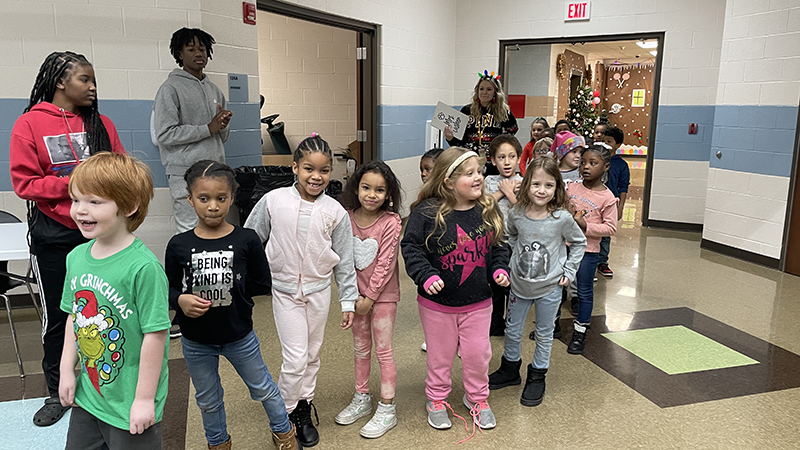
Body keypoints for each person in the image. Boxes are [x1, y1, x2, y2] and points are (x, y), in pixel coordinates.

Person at [9, 51, 126, 427]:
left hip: (104, 236)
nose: (93, 87)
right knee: (61, 319)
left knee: (109, 312)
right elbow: (25, 183)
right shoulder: (29, 124)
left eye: (94, 80)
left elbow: (120, 169)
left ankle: (109, 382)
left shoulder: (101, 123)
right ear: (61, 82)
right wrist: (78, 185)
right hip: (55, 237)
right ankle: (58, 391)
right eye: (85, 80)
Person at [164, 161, 298, 450]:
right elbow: (169, 288)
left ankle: (284, 432)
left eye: (221, 198)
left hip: (240, 336)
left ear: (231, 198)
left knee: (263, 388)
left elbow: (262, 282)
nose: (213, 206)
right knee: (208, 399)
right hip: (196, 340)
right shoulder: (178, 244)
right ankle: (218, 443)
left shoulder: (246, 239)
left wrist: (236, 293)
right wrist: (180, 300)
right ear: (190, 199)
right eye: (204, 198)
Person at [244, 134, 358, 448]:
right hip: (284, 292)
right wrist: (245, 279)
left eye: (323, 171)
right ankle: (285, 414)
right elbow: (250, 240)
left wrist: (348, 300)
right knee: (295, 358)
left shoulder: (335, 211)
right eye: (309, 169)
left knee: (311, 355)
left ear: (331, 172)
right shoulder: (274, 201)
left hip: (320, 291)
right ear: (295, 167)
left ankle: (304, 406)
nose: (316, 177)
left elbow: (345, 260)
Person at [58, 153, 169, 449]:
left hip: (129, 404)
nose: (81, 210)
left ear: (129, 206)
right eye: (76, 199)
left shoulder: (143, 268)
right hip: (90, 397)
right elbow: (74, 316)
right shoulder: (76, 258)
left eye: (95, 202)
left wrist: (144, 400)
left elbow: (155, 335)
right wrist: (66, 369)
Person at [401, 147, 510, 440]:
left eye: (479, 171)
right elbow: (411, 248)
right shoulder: (426, 212)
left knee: (478, 354)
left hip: (479, 302)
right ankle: (436, 397)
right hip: (437, 306)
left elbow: (500, 245)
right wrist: (426, 274)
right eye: (470, 173)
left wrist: (499, 269)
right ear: (449, 181)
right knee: (440, 356)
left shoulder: (488, 209)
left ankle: (477, 398)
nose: (479, 178)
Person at [488, 157, 586, 406]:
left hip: (549, 290)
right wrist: (508, 266)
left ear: (557, 188)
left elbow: (579, 243)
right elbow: (509, 238)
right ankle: (510, 369)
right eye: (536, 184)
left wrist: (569, 270)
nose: (542, 190)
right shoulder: (517, 213)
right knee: (512, 329)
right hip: (519, 287)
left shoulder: (561, 218)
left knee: (543, 334)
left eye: (549, 185)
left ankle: (537, 375)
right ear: (526, 185)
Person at [336, 161, 403, 439]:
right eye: (366, 187)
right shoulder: (345, 217)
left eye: (379, 190)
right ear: (356, 188)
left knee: (383, 350)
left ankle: (387, 407)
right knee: (360, 348)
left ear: (388, 194)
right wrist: (351, 299)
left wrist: (370, 297)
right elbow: (340, 260)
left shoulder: (391, 221)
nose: (371, 194)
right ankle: (361, 397)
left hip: (383, 298)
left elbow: (386, 262)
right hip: (355, 298)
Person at [154, 27, 233, 234]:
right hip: (184, 174)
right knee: (190, 230)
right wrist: (207, 128)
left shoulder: (214, 90)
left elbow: (220, 136)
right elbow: (165, 134)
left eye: (202, 49)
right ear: (180, 54)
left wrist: (222, 126)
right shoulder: (170, 88)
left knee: (215, 228)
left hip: (215, 171)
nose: (199, 53)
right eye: (191, 49)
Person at [565, 144, 618, 354]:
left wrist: (586, 226)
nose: (586, 167)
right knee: (558, 286)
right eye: (583, 162)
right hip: (564, 246)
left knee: (584, 290)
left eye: (592, 163)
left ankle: (580, 331)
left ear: (605, 167)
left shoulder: (607, 198)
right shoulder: (572, 188)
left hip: (588, 250)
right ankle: (553, 325)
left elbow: (611, 228)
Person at [483, 134, 523, 336]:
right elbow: (482, 207)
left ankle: (512, 323)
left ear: (518, 158)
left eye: (511, 156)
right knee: (495, 284)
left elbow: (524, 213)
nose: (507, 162)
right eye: (501, 157)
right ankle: (495, 323)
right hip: (494, 241)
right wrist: (502, 191)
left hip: (516, 244)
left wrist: (511, 194)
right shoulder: (489, 181)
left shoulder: (524, 182)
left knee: (512, 286)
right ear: (492, 160)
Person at [444, 71, 518, 176]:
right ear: (477, 90)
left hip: (494, 163)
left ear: (495, 92)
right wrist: (449, 138)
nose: (484, 92)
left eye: (489, 89)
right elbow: (458, 142)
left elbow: (513, 132)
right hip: (470, 160)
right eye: (481, 89)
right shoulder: (466, 111)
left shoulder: (503, 111)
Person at [597, 126, 630, 279]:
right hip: (593, 203)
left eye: (609, 141)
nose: (605, 144)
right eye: (603, 141)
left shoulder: (621, 165)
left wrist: (621, 207)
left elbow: (623, 187)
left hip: (610, 205)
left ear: (618, 145)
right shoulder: (595, 160)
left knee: (605, 234)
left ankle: (602, 262)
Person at [419, 148, 443, 353]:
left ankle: (460, 341)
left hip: (451, 258)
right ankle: (432, 337)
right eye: (422, 170)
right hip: (430, 260)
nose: (424, 174)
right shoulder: (423, 200)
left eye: (428, 169)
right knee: (431, 303)